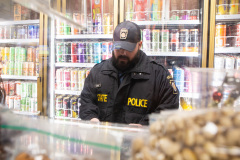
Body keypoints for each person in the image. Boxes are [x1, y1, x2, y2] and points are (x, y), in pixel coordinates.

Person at [80, 21, 179, 125]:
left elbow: (170, 108)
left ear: (139, 45)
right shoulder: (98, 72)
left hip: (141, 140)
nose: (123, 53)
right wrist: (91, 118)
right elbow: (86, 101)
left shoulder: (159, 74)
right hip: (105, 139)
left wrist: (145, 126)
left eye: (128, 49)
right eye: (119, 48)